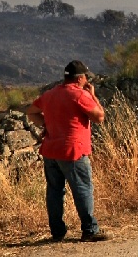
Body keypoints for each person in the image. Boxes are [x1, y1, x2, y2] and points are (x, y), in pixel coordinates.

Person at [26, 60, 109, 242]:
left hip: (50, 150)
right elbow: (100, 117)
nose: (87, 80)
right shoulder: (80, 95)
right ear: (80, 79)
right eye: (86, 77)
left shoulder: (49, 94)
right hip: (73, 151)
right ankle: (90, 230)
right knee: (82, 189)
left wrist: (45, 124)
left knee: (55, 191)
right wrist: (93, 95)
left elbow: (31, 111)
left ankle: (57, 232)